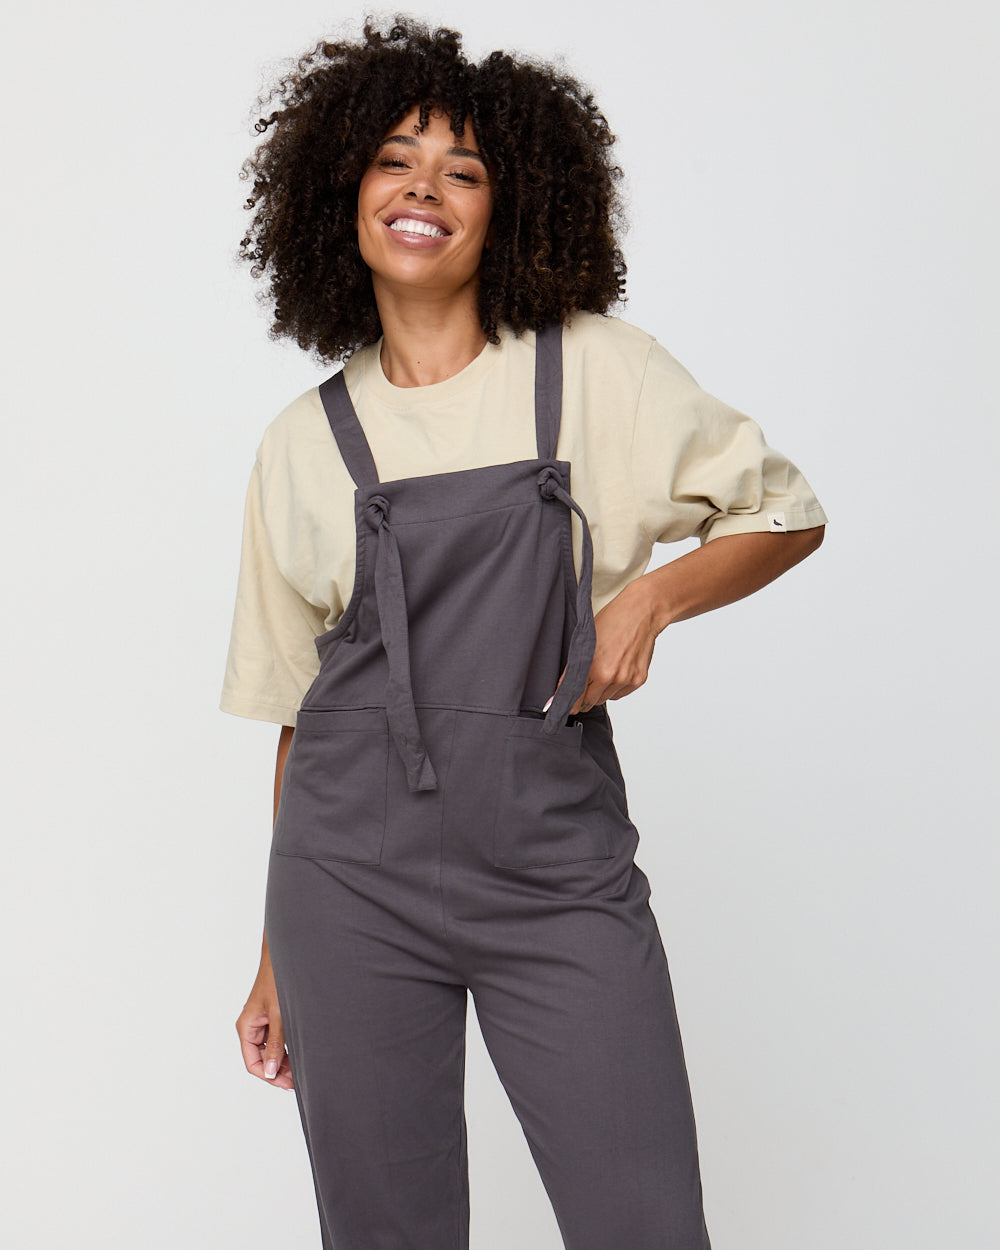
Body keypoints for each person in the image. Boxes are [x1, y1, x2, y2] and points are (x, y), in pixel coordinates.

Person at [220, 17, 827, 1250]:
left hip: (555, 873)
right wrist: (276, 951)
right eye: (394, 161)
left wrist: (649, 598)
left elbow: (787, 512)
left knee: (643, 1223)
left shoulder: (597, 368)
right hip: (346, 884)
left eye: (463, 170)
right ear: (341, 192)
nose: (422, 191)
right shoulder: (300, 441)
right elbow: (297, 712)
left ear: (512, 208)